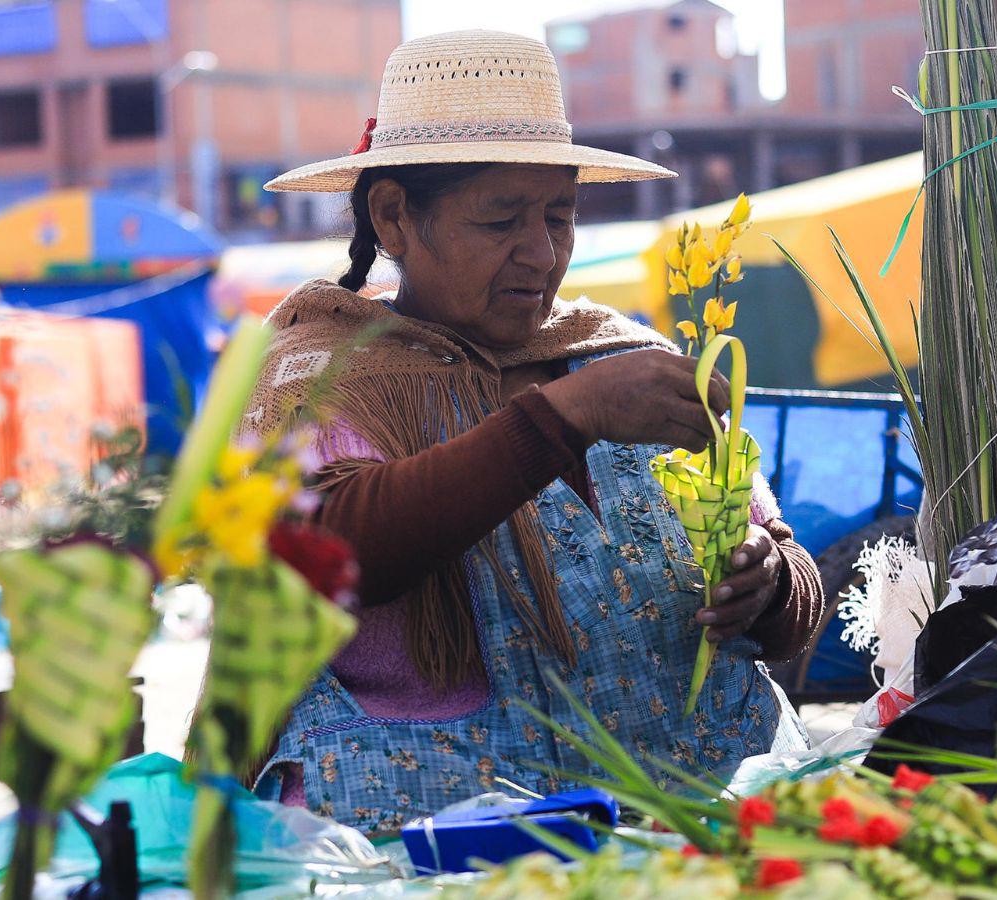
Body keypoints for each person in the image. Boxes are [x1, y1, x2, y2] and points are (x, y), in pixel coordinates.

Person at [243, 29, 824, 832]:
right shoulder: (318, 379)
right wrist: (567, 418)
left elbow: (784, 566)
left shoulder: (624, 354)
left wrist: (770, 583)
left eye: (559, 215)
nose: (541, 254)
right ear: (394, 216)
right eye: (500, 220)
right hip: (436, 825)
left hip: (698, 798)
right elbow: (327, 556)